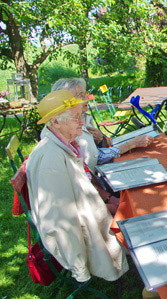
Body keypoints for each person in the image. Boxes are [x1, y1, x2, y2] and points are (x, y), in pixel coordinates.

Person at [26, 89, 128, 282]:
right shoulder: (51, 160)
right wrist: (79, 267)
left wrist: (106, 201)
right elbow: (59, 221)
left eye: (81, 116)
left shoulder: (63, 145)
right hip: (86, 233)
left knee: (131, 206)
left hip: (92, 215)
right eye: (76, 118)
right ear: (55, 122)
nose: (82, 122)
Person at [52, 78, 154, 173]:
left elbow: (92, 150)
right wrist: (132, 144)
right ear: (67, 101)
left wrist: (101, 140)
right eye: (81, 95)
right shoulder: (68, 125)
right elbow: (94, 158)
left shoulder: (85, 117)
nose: (87, 98)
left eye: (85, 94)